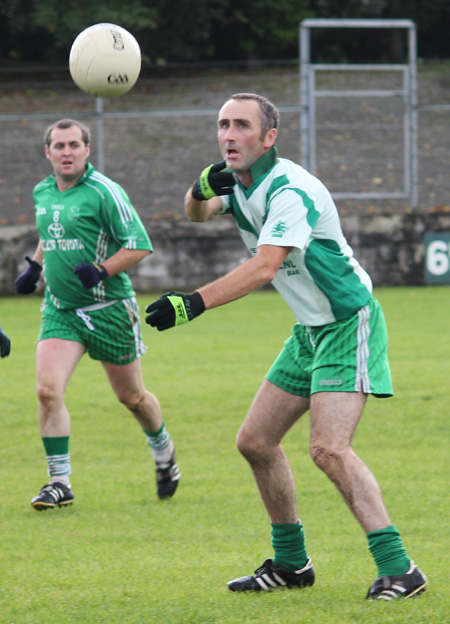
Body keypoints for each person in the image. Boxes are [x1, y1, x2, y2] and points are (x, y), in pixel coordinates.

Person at [145, 93, 427, 600]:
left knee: (328, 449)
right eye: (222, 125)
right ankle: (292, 564)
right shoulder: (238, 181)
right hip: (309, 330)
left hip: (346, 322)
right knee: (255, 441)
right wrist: (197, 187)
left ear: (269, 137)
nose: (229, 135)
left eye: (242, 126)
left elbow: (265, 266)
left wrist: (193, 302)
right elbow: (196, 213)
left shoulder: (290, 189)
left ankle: (401, 569)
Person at [15, 118, 180, 510]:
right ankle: (60, 482)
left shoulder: (105, 192)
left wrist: (101, 270)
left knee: (133, 397)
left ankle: (164, 451)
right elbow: (50, 232)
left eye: (74, 145)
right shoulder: (43, 191)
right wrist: (36, 267)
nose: (67, 152)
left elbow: (139, 245)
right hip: (61, 310)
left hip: (109, 310)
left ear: (87, 150)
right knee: (46, 391)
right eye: (59, 146)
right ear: (48, 152)